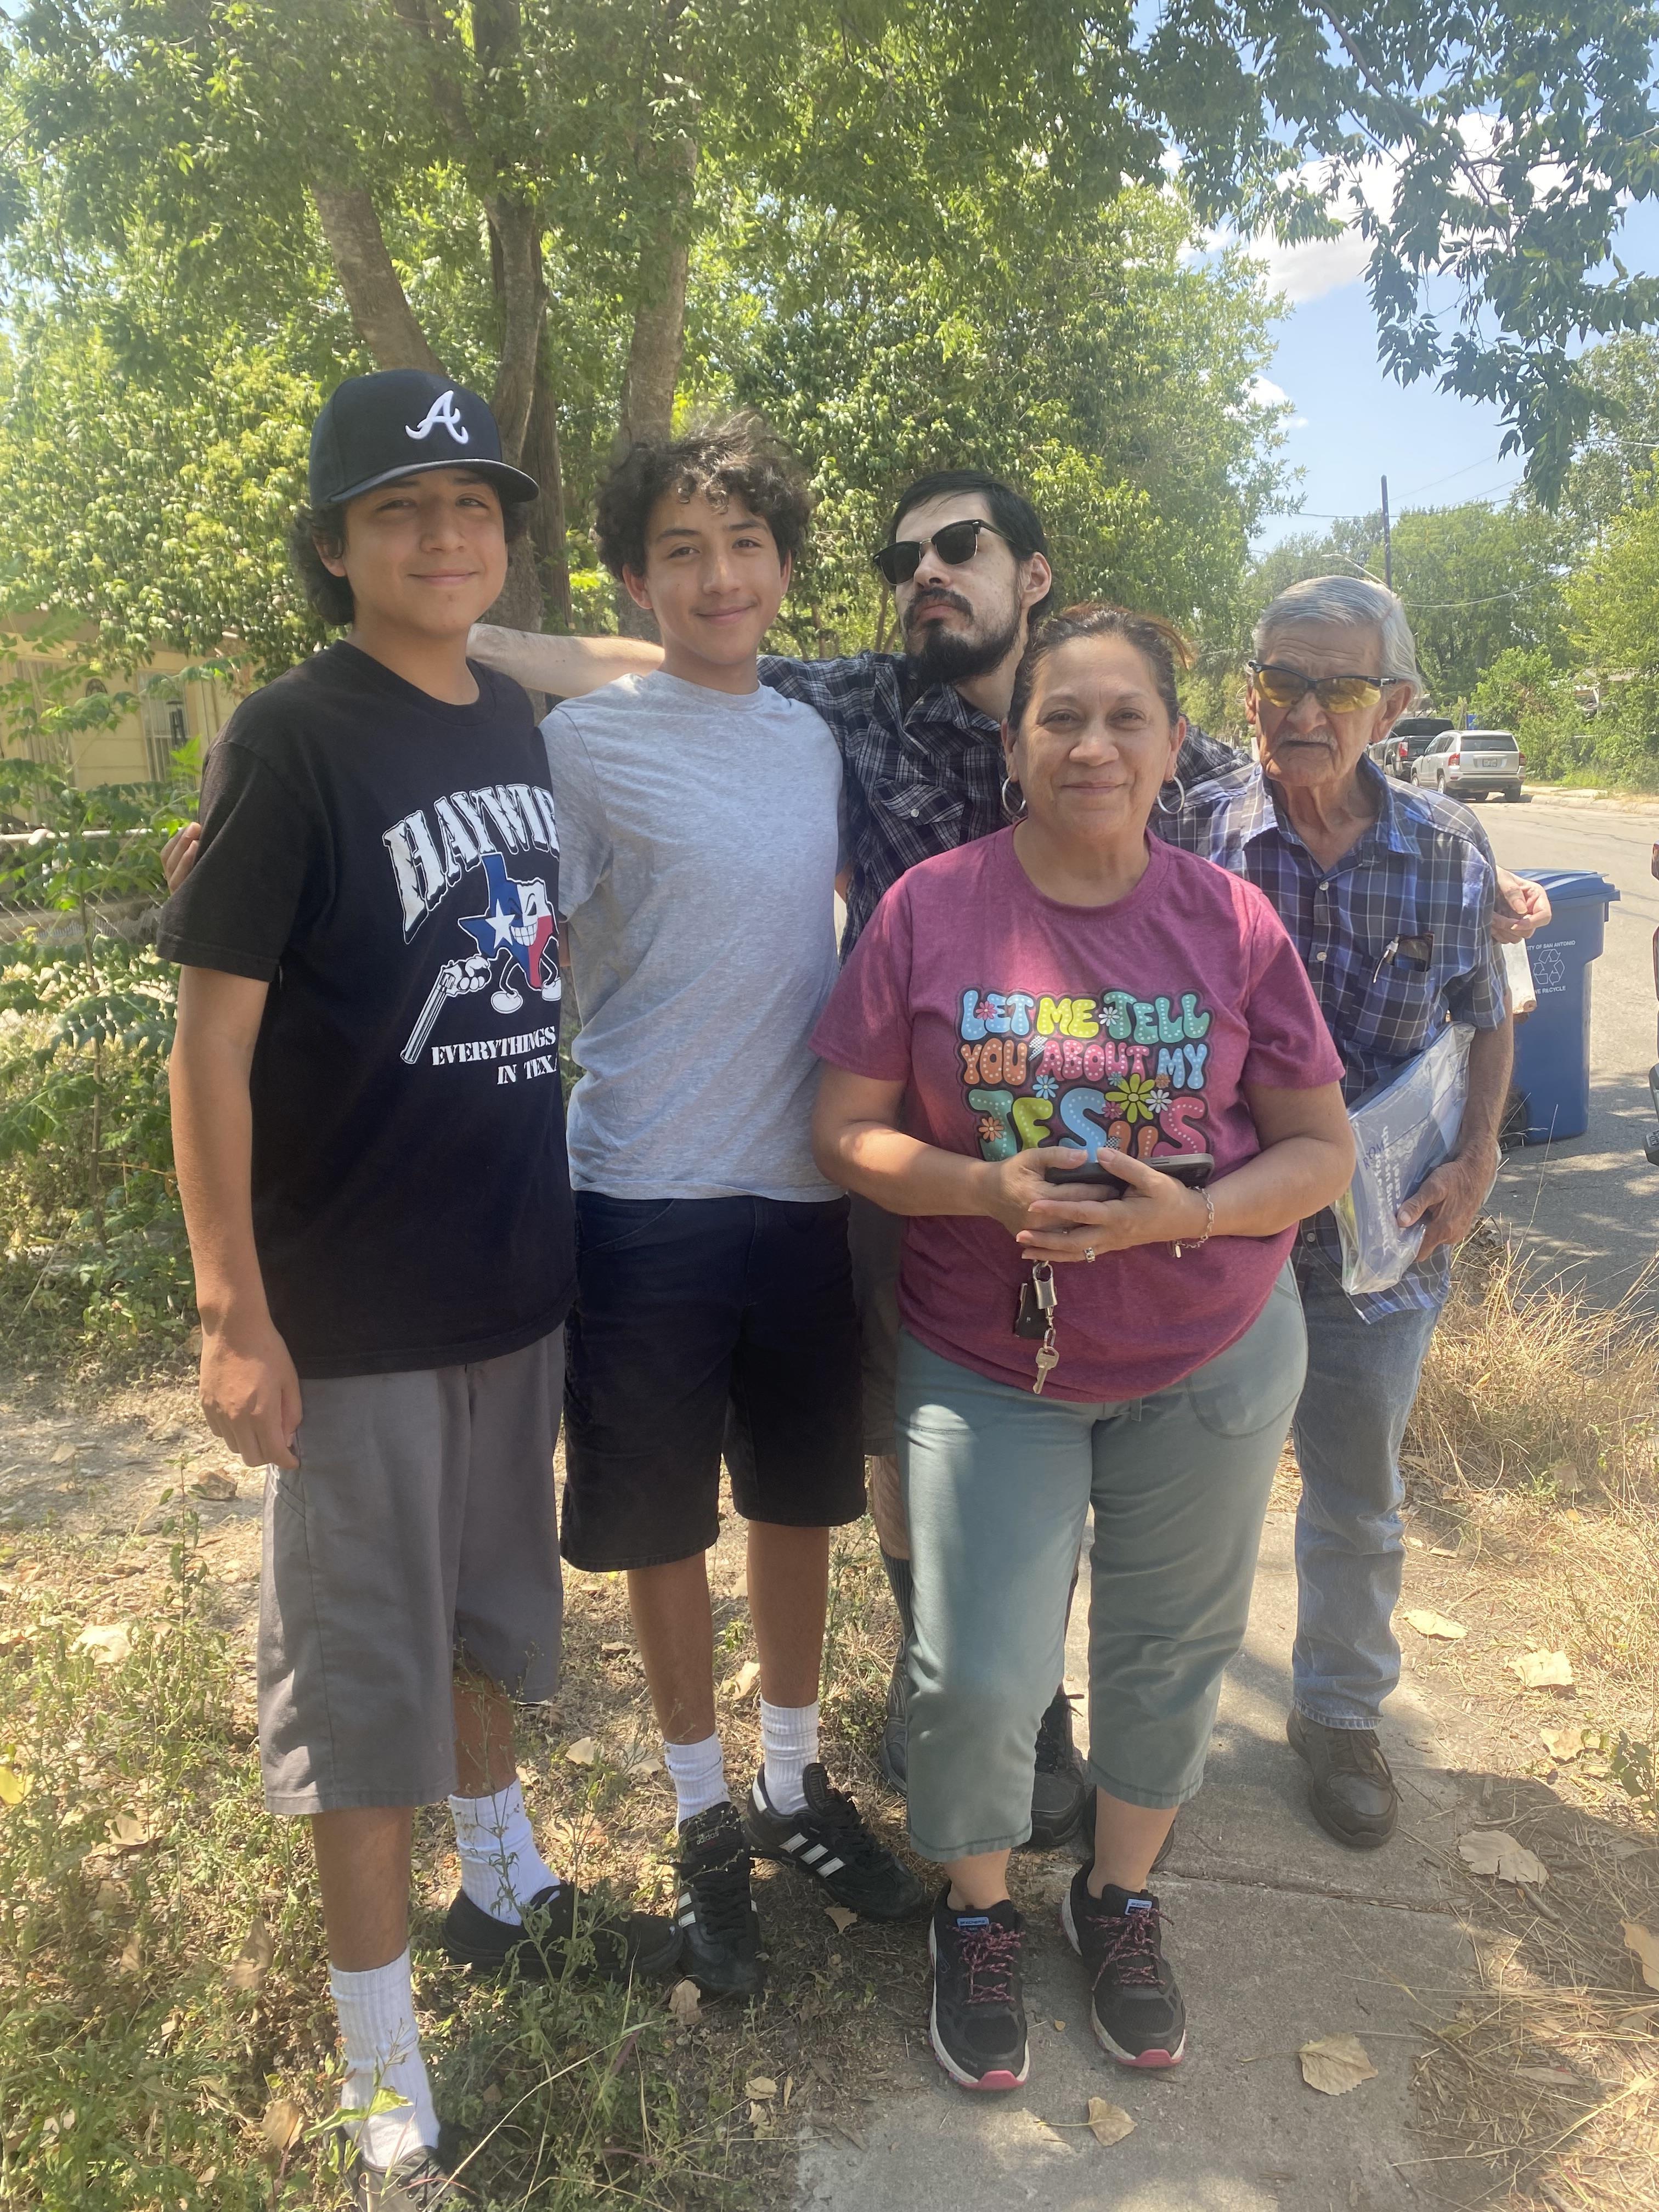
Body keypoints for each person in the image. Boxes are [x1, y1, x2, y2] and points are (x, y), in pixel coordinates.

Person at [466, 474, 1549, 1848]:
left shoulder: (1207, 768)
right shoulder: (855, 710)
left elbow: (1380, 905)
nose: (930, 570)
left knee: (1334, 1482)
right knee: (902, 1459)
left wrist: (1480, 1070)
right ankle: (991, 1704)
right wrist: (454, 639)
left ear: (1030, 578)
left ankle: (1318, 1719)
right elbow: (677, 650)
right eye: (905, 554)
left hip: (1253, 1196)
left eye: (961, 547)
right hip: (934, 1176)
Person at [157, 370, 679, 2212]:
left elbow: (657, 665)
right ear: (331, 546)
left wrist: (483, 621)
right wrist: (234, 1313)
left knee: (485, 1619)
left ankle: (505, 1877)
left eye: (472, 508)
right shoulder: (293, 738)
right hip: (354, 1306)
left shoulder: (505, 717)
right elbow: (206, 1047)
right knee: (361, 1679)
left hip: (509, 1282)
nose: (445, 536)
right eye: (399, 513)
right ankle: (381, 2059)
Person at [809, 603, 1356, 2091]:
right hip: (986, 1358)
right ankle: (976, 1916)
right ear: (1015, 746)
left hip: (1211, 1353)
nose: (1094, 744)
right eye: (1063, 718)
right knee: (978, 1674)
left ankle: (1118, 1899)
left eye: (1128, 719)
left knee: (1167, 1654)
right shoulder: (928, 909)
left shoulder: (1230, 922)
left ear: (1176, 747)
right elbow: (843, 1127)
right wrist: (978, 1186)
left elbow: (1320, 1152)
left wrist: (1186, 1217)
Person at [544, 419, 928, 2000]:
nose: (719, 576)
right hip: (640, 1190)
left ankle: (788, 1783)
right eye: (683, 552)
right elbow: (512, 944)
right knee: (660, 1527)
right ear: (635, 580)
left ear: (783, 568)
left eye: (746, 546)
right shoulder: (582, 744)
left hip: (804, 1188)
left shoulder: (813, 739)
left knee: (797, 1505)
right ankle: (701, 1816)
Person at [1155, 574, 1515, 1851]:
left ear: (1395, 708)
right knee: (1182, 1494)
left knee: (1357, 1496)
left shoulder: (1452, 851)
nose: (1300, 710)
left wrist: (1475, 1163)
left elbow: (1488, 1019)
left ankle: (1340, 1716)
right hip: (1217, 1233)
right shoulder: (1188, 831)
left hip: (1382, 1244)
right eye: (1278, 681)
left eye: (1338, 689)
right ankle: (1162, 1740)